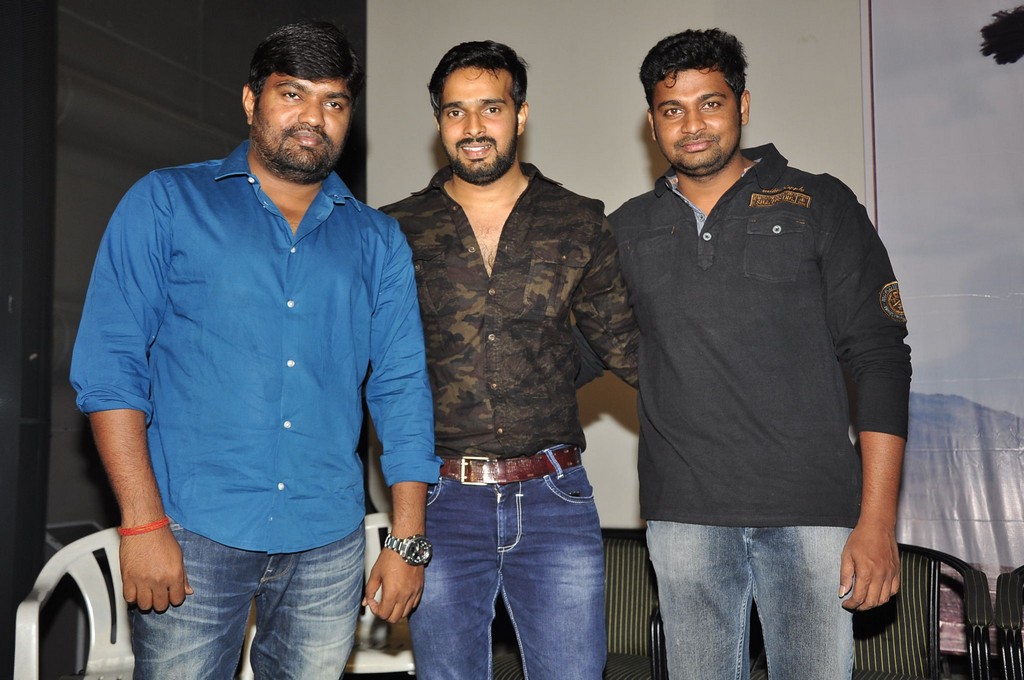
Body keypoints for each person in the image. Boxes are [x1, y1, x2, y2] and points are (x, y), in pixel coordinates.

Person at [70, 20, 440, 680]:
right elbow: (111, 369)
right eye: (292, 93)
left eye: (333, 101)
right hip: (190, 530)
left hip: (328, 540)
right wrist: (141, 524)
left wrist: (407, 538)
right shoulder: (166, 202)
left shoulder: (378, 241)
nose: (313, 118)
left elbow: (402, 387)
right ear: (251, 100)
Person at [608, 28, 912, 679]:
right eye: (672, 109)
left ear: (742, 105)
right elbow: (571, 351)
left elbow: (881, 359)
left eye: (710, 103)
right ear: (652, 122)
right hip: (683, 517)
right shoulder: (625, 229)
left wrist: (877, 521)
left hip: (812, 516)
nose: (692, 125)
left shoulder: (819, 203)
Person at [381, 41, 639, 680]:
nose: (473, 127)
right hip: (438, 501)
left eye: (490, 108)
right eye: (455, 111)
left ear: (520, 114)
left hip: (555, 498)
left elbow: (627, 348)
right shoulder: (392, 229)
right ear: (438, 122)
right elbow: (372, 370)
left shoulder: (578, 221)